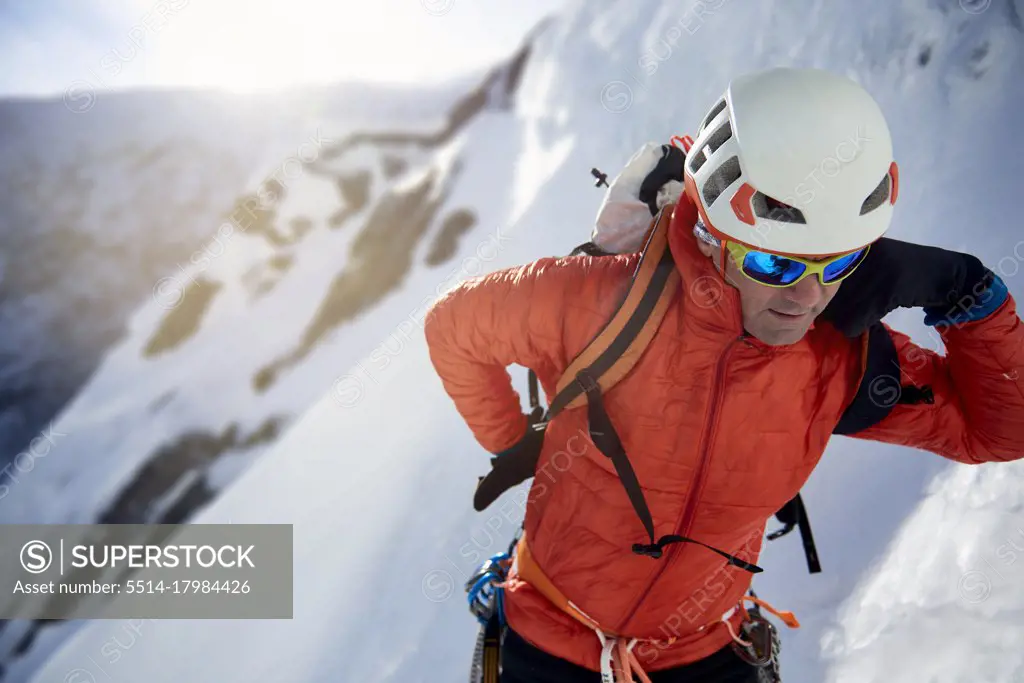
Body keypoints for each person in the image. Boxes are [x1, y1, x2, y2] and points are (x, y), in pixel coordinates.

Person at [424, 67, 1024, 682]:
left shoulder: (843, 359)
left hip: (705, 652)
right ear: (713, 236)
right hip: (548, 636)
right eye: (773, 262)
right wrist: (512, 439)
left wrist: (968, 297)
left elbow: (1000, 431)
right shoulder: (601, 300)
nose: (808, 298)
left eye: (839, 262)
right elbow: (452, 326)